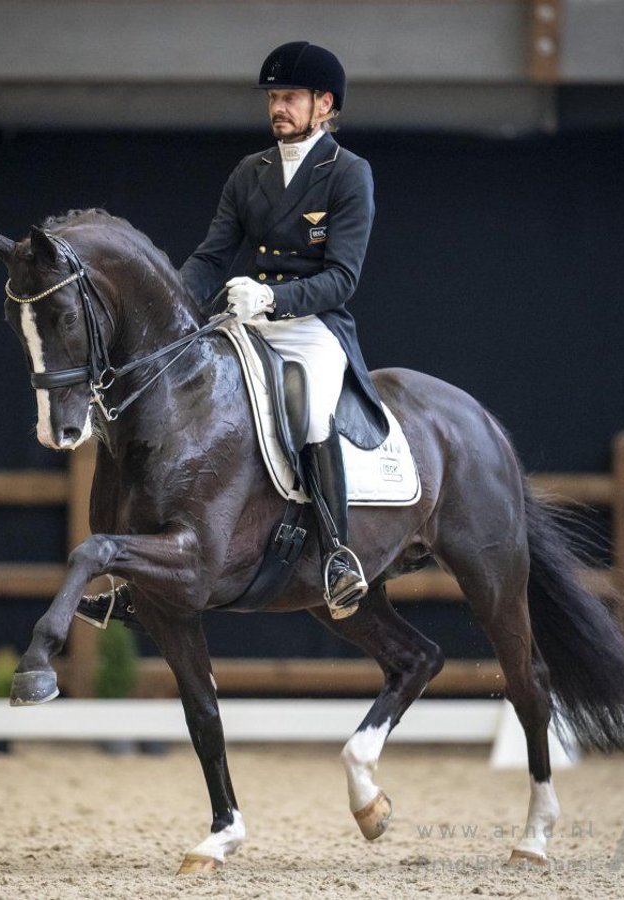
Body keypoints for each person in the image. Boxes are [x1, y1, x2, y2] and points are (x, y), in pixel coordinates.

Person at [179, 40, 389, 619]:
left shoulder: (348, 175)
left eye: (290, 97)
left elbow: (342, 278)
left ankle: (337, 552)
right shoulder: (250, 173)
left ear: (324, 104)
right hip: (249, 316)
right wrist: (171, 302)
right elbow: (210, 257)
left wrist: (274, 296)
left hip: (313, 325)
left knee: (310, 404)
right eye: (274, 97)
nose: (278, 107)